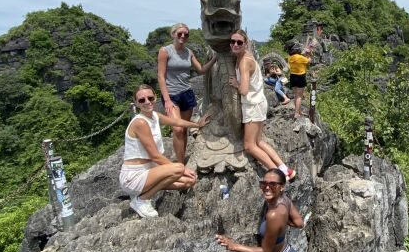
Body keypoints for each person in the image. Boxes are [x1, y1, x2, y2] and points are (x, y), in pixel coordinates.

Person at [119, 85, 209, 218]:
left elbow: (176, 121)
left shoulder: (155, 116)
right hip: (134, 177)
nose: (147, 102)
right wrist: (182, 169)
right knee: (178, 168)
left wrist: (197, 125)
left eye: (150, 98)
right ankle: (141, 199)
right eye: (142, 100)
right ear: (137, 103)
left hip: (149, 173)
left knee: (188, 182)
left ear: (155, 97)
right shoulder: (140, 123)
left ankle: (143, 192)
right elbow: (155, 156)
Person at [228, 30, 295, 180]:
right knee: (259, 142)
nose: (235, 45)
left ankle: (279, 174)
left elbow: (244, 90)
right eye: (232, 42)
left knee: (250, 146)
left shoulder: (244, 61)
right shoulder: (245, 57)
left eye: (239, 42)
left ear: (245, 43)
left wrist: (236, 84)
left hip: (252, 106)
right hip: (258, 102)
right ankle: (285, 169)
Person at [158, 23, 216, 163]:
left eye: (186, 34)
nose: (183, 36)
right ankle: (180, 165)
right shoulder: (165, 51)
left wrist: (216, 58)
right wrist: (167, 100)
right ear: (173, 34)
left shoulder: (188, 52)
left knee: (184, 130)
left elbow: (201, 70)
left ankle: (181, 158)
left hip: (186, 93)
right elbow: (160, 76)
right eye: (180, 33)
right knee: (177, 129)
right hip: (171, 95)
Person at [287, 43, 311, 119]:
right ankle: (296, 113)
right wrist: (308, 54)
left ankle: (299, 111)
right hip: (300, 77)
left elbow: (300, 58)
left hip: (293, 76)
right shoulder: (301, 57)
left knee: (296, 96)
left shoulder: (290, 57)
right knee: (299, 96)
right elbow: (309, 61)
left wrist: (304, 53)